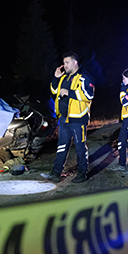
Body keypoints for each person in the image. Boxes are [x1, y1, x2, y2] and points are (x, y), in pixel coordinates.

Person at [42, 52, 94, 183]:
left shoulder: (84, 76)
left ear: (75, 62)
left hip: (78, 118)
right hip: (64, 118)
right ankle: (55, 173)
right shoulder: (64, 77)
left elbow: (89, 95)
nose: (64, 66)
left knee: (80, 147)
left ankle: (82, 173)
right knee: (62, 146)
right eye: (63, 63)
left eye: (67, 63)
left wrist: (70, 93)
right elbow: (54, 91)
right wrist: (55, 78)